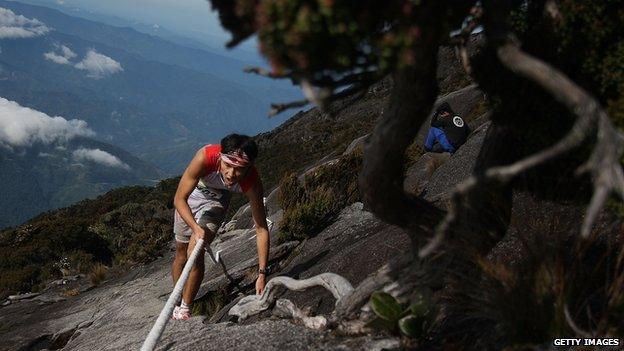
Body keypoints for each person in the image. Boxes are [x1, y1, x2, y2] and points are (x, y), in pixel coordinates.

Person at [170, 134, 269, 320]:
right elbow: (179, 199)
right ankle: (176, 299)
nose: (231, 174)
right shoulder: (206, 157)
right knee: (181, 253)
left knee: (195, 252)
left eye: (239, 169)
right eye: (228, 165)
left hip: (216, 202)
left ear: (248, 168)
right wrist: (194, 226)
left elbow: (261, 229)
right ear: (220, 158)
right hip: (192, 197)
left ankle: (184, 308)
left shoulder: (252, 181)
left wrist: (262, 273)